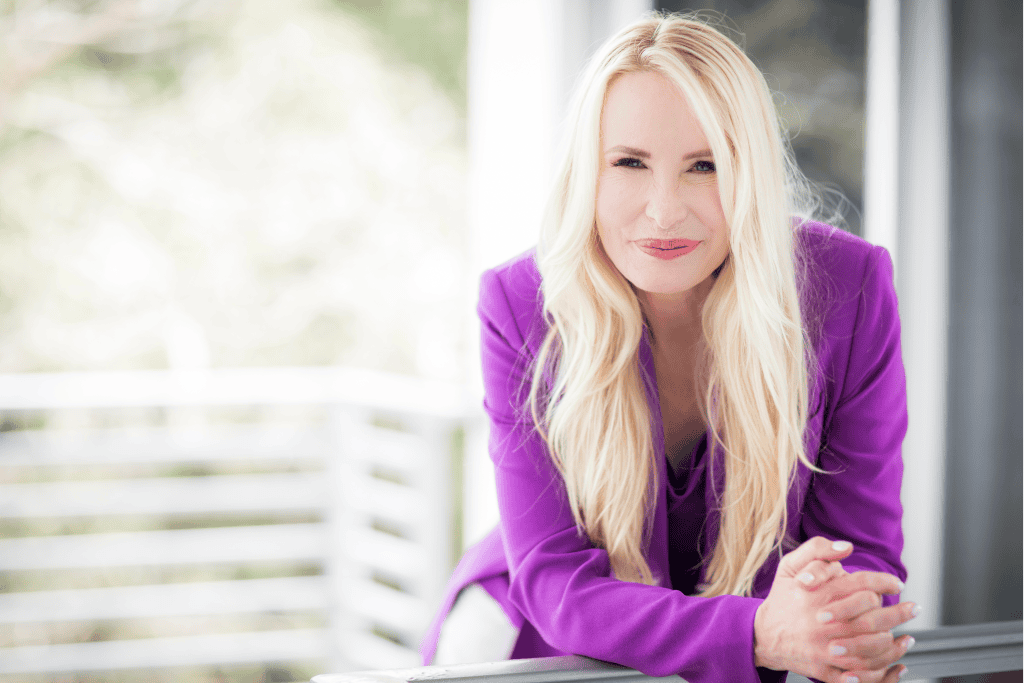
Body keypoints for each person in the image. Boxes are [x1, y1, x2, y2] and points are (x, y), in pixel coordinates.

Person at [421, 12, 916, 683]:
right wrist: (758, 631)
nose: (663, 209)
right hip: (542, 640)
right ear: (586, 174)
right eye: (629, 162)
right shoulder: (519, 304)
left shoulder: (849, 287)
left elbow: (862, 550)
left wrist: (846, 621)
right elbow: (555, 580)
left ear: (750, 171)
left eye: (704, 165)